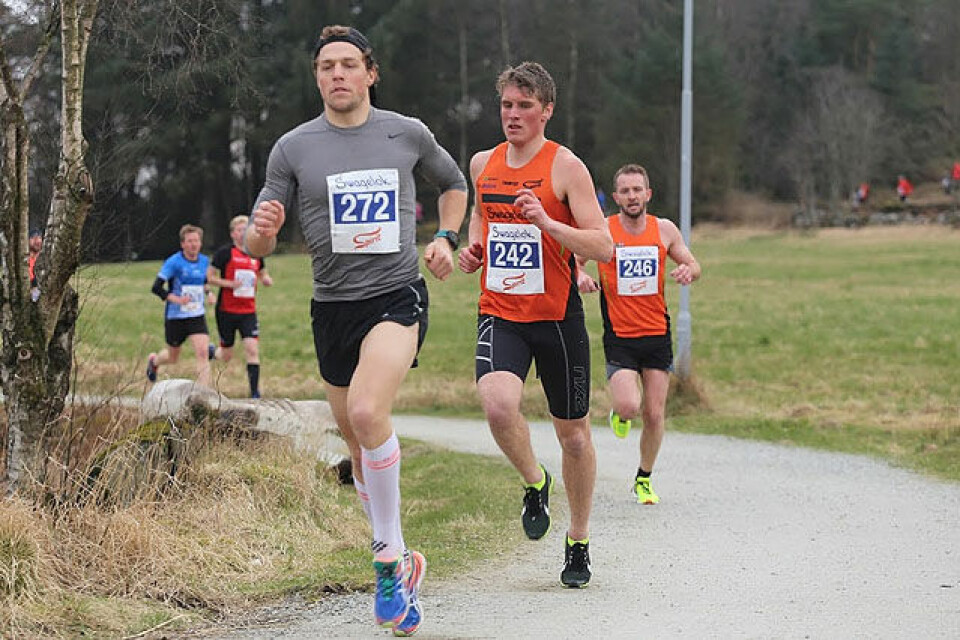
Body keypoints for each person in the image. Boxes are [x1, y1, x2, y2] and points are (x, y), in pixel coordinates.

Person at [243, 25, 467, 636]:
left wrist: (447, 238)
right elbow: (257, 240)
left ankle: (388, 561)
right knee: (357, 444)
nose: (337, 74)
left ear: (370, 73)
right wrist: (262, 232)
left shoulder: (406, 132)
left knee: (369, 414)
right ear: (317, 77)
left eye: (348, 64)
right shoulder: (292, 148)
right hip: (332, 307)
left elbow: (453, 184)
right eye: (326, 66)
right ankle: (403, 559)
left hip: (396, 294)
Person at [458, 61, 613, 588]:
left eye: (524, 105)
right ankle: (534, 480)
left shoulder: (566, 168)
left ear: (546, 110)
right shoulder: (483, 163)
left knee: (574, 437)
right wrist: (474, 247)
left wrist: (547, 223)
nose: (513, 114)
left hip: (556, 318)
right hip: (500, 311)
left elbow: (603, 245)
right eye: (506, 104)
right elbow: (481, 215)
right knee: (498, 406)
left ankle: (579, 539)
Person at [576, 164, 701, 505]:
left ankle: (643, 478)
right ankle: (620, 413)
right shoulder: (604, 230)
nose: (632, 196)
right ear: (616, 197)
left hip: (657, 334)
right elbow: (574, 260)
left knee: (655, 414)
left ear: (648, 194)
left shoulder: (664, 230)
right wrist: (580, 277)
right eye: (625, 191)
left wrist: (688, 270)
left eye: (637, 190)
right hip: (620, 335)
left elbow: (694, 264)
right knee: (629, 406)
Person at [206, 215, 273, 398]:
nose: (243, 233)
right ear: (233, 234)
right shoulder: (224, 253)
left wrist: (266, 279)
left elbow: (262, 272)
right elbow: (209, 277)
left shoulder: (256, 253)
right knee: (226, 355)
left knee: (252, 350)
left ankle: (255, 393)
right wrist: (229, 284)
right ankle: (212, 352)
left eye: (246, 229)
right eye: (239, 230)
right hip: (226, 311)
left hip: (248, 311)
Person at [146, 224, 216, 387]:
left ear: (200, 243)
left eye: (196, 241)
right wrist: (177, 300)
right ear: (183, 244)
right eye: (190, 241)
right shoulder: (174, 262)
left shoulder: (204, 261)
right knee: (172, 357)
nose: (193, 244)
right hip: (176, 316)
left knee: (203, 353)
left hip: (196, 315)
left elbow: (203, 282)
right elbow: (156, 288)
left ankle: (203, 393)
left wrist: (209, 294)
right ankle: (154, 361)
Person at [28, 229, 42, 301]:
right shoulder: (23, 260)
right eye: (34, 238)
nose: (37, 241)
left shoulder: (44, 259)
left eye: (39, 238)